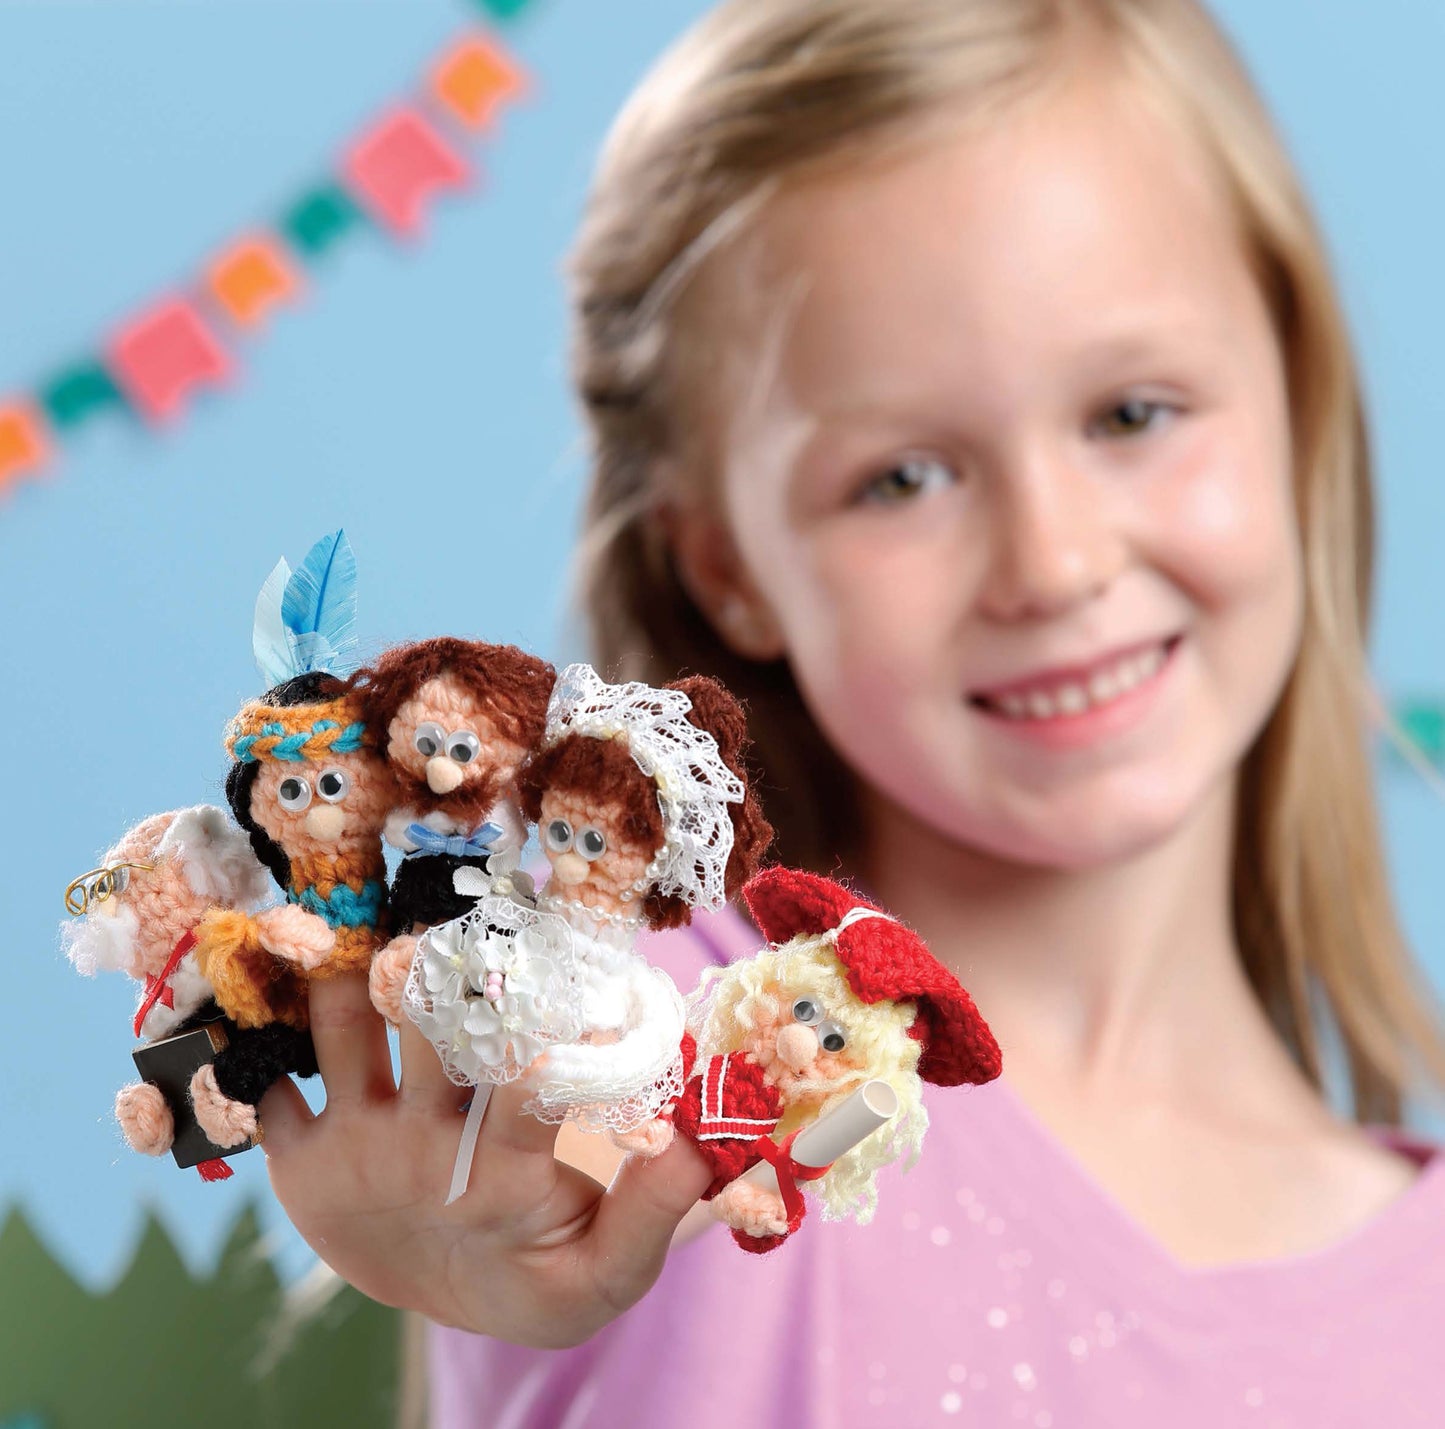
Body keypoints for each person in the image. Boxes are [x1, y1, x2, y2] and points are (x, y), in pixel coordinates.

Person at [258, 1, 1445, 1423]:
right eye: (900, 478)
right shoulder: (679, 1046)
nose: (1055, 562)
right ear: (728, 566)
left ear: (1294, 394)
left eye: (1132, 413)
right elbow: (525, 1096)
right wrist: (487, 1207)